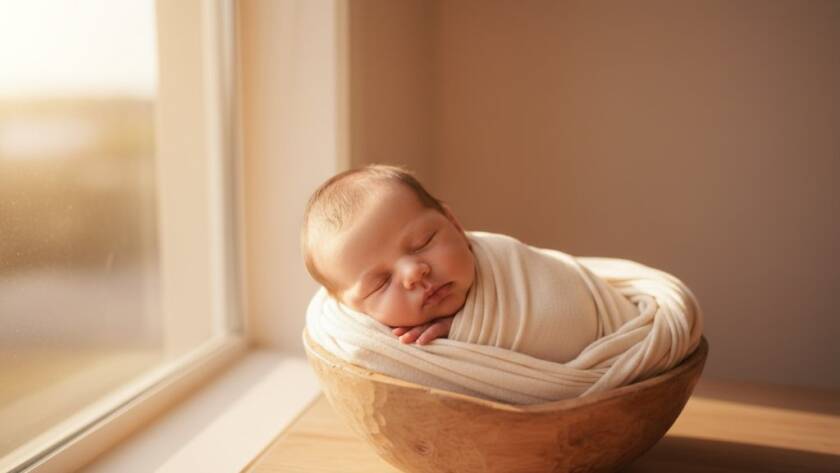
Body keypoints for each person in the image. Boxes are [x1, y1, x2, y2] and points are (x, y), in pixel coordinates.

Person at [301, 164, 474, 346]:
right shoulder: (357, 340)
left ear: (454, 224)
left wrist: (463, 327)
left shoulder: (504, 265)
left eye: (423, 243)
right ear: (354, 310)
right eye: (381, 283)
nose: (413, 272)